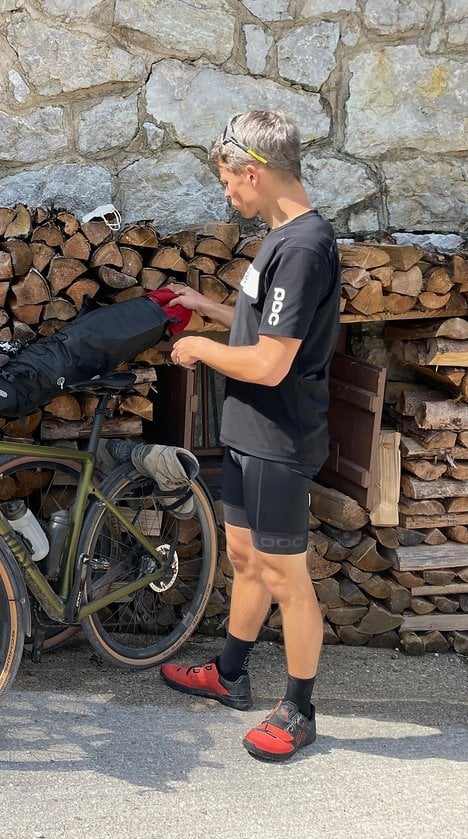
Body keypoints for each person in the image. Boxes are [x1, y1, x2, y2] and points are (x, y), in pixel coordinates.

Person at [159, 110, 341, 762]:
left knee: (285, 576)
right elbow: (261, 315)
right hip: (247, 431)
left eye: (230, 181)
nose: (227, 193)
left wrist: (201, 348)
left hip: (278, 440)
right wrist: (209, 307)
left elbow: (270, 361)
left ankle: (300, 708)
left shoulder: (305, 247)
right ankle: (229, 672)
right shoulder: (280, 235)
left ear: (256, 172)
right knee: (244, 558)